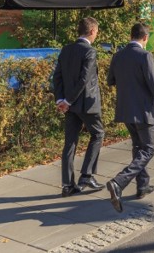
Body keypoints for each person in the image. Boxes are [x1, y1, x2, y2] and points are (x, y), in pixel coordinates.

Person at [106, 23, 154, 213]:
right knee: (149, 149)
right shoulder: (145, 56)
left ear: (131, 36)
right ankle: (118, 182)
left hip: (125, 111)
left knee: (138, 148)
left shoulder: (118, 56)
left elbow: (110, 80)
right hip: (143, 111)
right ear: (145, 38)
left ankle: (142, 185)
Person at [53, 17, 105, 197]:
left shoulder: (66, 50)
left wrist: (61, 99)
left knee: (70, 143)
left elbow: (57, 77)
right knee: (98, 134)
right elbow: (84, 79)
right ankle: (86, 176)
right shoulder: (89, 52)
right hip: (87, 104)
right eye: (96, 32)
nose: (96, 35)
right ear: (92, 32)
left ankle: (67, 185)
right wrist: (68, 101)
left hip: (70, 106)